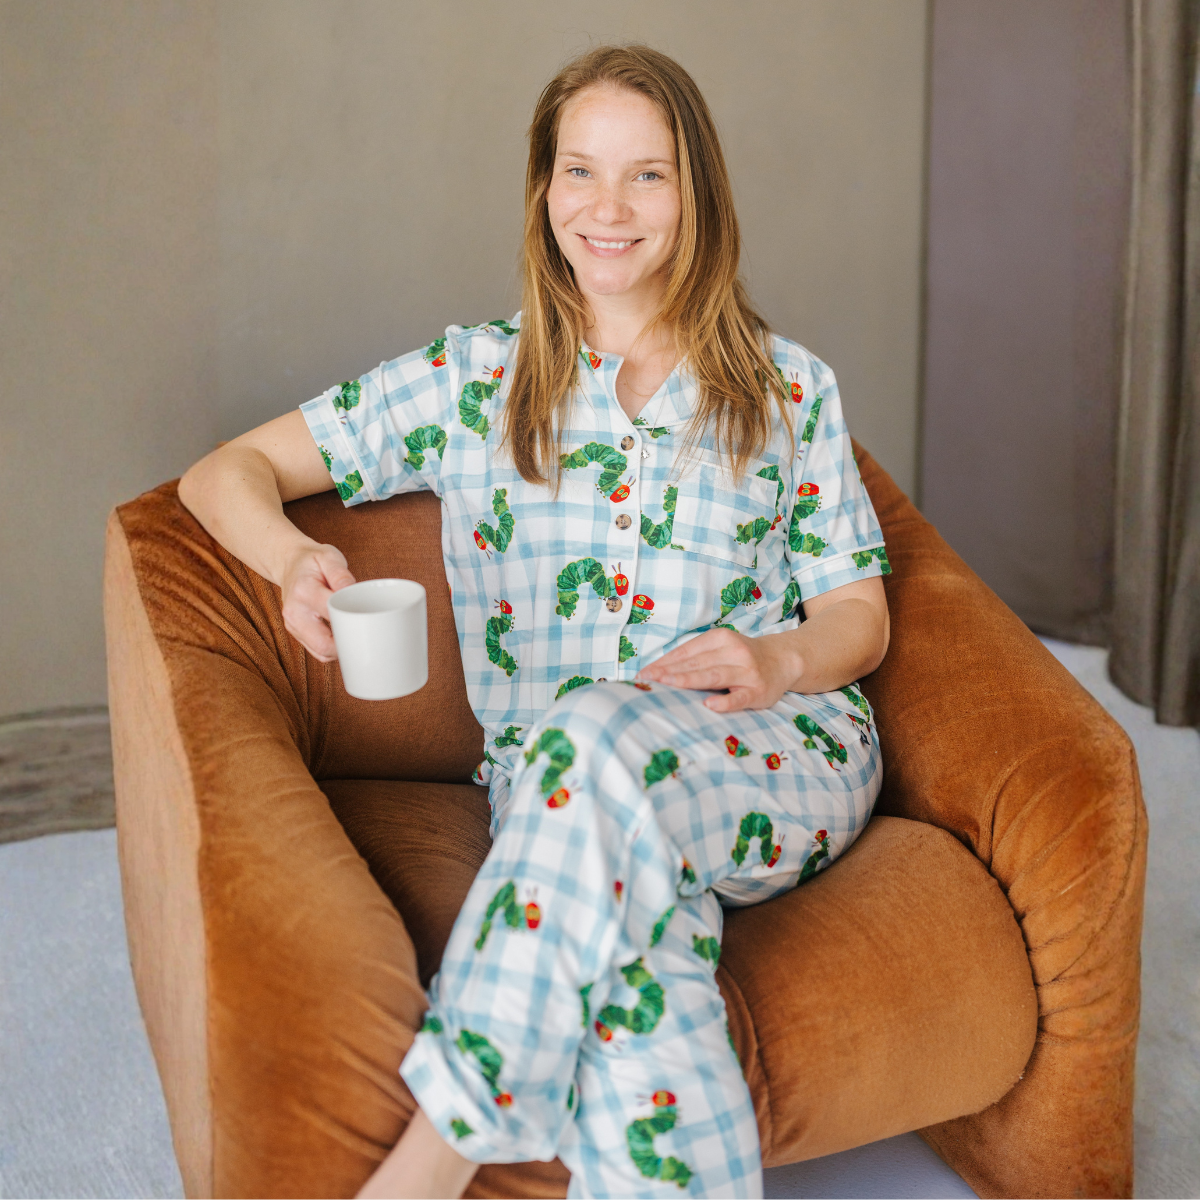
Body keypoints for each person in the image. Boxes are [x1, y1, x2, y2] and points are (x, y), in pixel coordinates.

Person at [178, 43, 890, 1200]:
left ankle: (437, 1153)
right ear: (543, 189)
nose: (608, 208)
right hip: (562, 798)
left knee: (601, 744)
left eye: (648, 175)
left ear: (697, 194)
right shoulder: (471, 380)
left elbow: (861, 614)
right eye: (580, 171)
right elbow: (224, 475)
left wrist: (778, 657)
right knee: (640, 982)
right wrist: (295, 558)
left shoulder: (787, 387)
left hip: (776, 749)